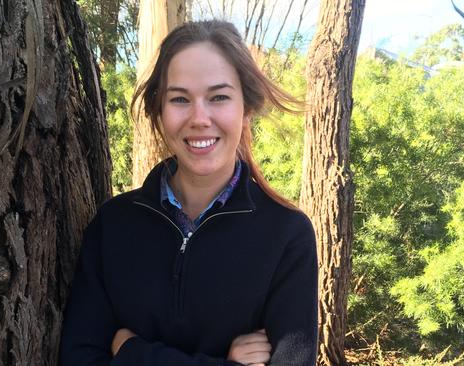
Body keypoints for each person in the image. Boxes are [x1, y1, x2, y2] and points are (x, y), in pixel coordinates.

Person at [60, 20, 318, 365]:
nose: (199, 118)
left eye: (219, 97)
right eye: (180, 98)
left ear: (247, 107)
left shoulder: (287, 235)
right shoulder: (113, 224)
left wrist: (130, 350)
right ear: (159, 110)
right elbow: (79, 358)